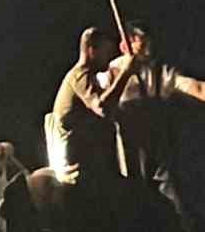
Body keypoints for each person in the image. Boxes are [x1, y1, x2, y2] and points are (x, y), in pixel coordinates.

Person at [106, 20, 205, 221]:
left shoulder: (158, 71)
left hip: (156, 142)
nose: (147, 48)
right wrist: (125, 74)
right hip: (128, 143)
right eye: (140, 43)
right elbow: (100, 103)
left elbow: (197, 88)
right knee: (134, 197)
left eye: (147, 43)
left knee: (172, 197)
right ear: (125, 45)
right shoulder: (112, 70)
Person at [50, 26, 142, 188]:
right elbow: (102, 108)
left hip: (90, 163)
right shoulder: (79, 76)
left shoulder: (90, 79)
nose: (108, 57)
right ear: (92, 50)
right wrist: (126, 72)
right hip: (79, 171)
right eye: (105, 52)